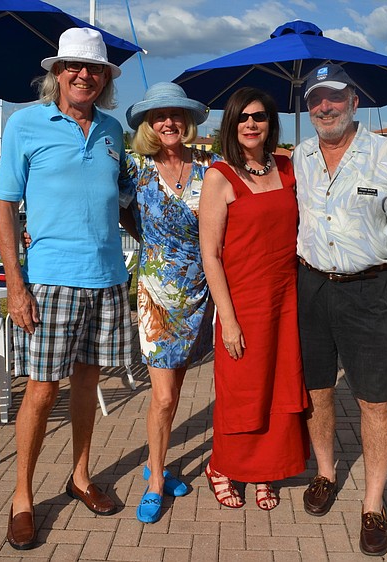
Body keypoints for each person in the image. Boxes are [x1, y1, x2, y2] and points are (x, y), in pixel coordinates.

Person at [0, 27, 136, 551]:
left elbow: (124, 204)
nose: (84, 75)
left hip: (108, 279)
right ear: (56, 73)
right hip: (51, 281)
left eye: (94, 68)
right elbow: (5, 208)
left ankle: (80, 477)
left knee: (86, 385)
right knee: (41, 390)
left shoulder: (113, 131)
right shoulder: (25, 124)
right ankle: (23, 497)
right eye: (74, 66)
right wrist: (16, 285)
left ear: (105, 79)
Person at [292, 64, 387, 556]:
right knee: (318, 390)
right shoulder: (301, 156)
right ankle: (325, 473)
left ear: (353, 101)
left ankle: (372, 503)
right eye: (315, 99)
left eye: (333, 97)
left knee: (375, 400)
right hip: (311, 287)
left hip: (369, 291)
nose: (324, 107)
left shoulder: (386, 154)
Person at [198, 87, 309, 511]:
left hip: (286, 298)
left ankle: (266, 470)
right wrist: (227, 320)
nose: (250, 123)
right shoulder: (219, 176)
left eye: (259, 116)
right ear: (231, 123)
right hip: (242, 301)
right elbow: (210, 254)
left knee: (279, 386)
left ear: (270, 123)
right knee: (242, 390)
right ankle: (222, 467)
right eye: (242, 117)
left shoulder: (287, 167)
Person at [123, 82, 219, 524]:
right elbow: (111, 209)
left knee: (176, 388)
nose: (168, 122)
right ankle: (155, 484)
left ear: (188, 120)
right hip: (157, 297)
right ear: (148, 123)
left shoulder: (210, 167)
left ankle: (156, 463)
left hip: (200, 292)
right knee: (162, 397)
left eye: (176, 114)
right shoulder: (136, 169)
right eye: (160, 115)